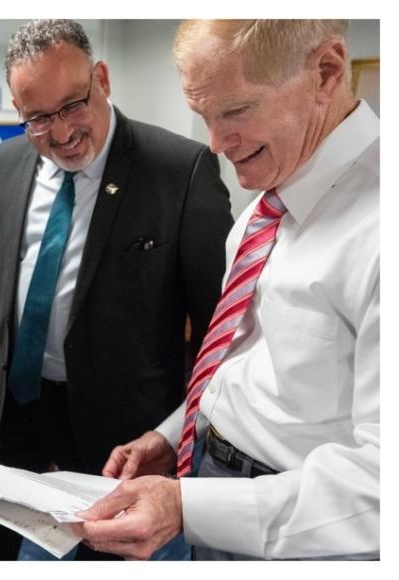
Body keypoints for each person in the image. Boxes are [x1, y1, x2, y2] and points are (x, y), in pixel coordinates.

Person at [72, 19, 379, 561]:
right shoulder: (264, 208)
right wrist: (172, 437)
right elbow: (240, 362)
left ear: (327, 71)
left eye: (235, 111)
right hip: (208, 487)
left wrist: (189, 509)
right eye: (204, 116)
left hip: (307, 537)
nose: (214, 143)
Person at [0, 19, 233, 560]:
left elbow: (218, 330)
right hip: (15, 400)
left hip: (115, 424)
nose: (62, 133)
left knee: (100, 552)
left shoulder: (180, 171)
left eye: (73, 104)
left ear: (102, 79)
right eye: (39, 118)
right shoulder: (8, 159)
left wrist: (180, 427)